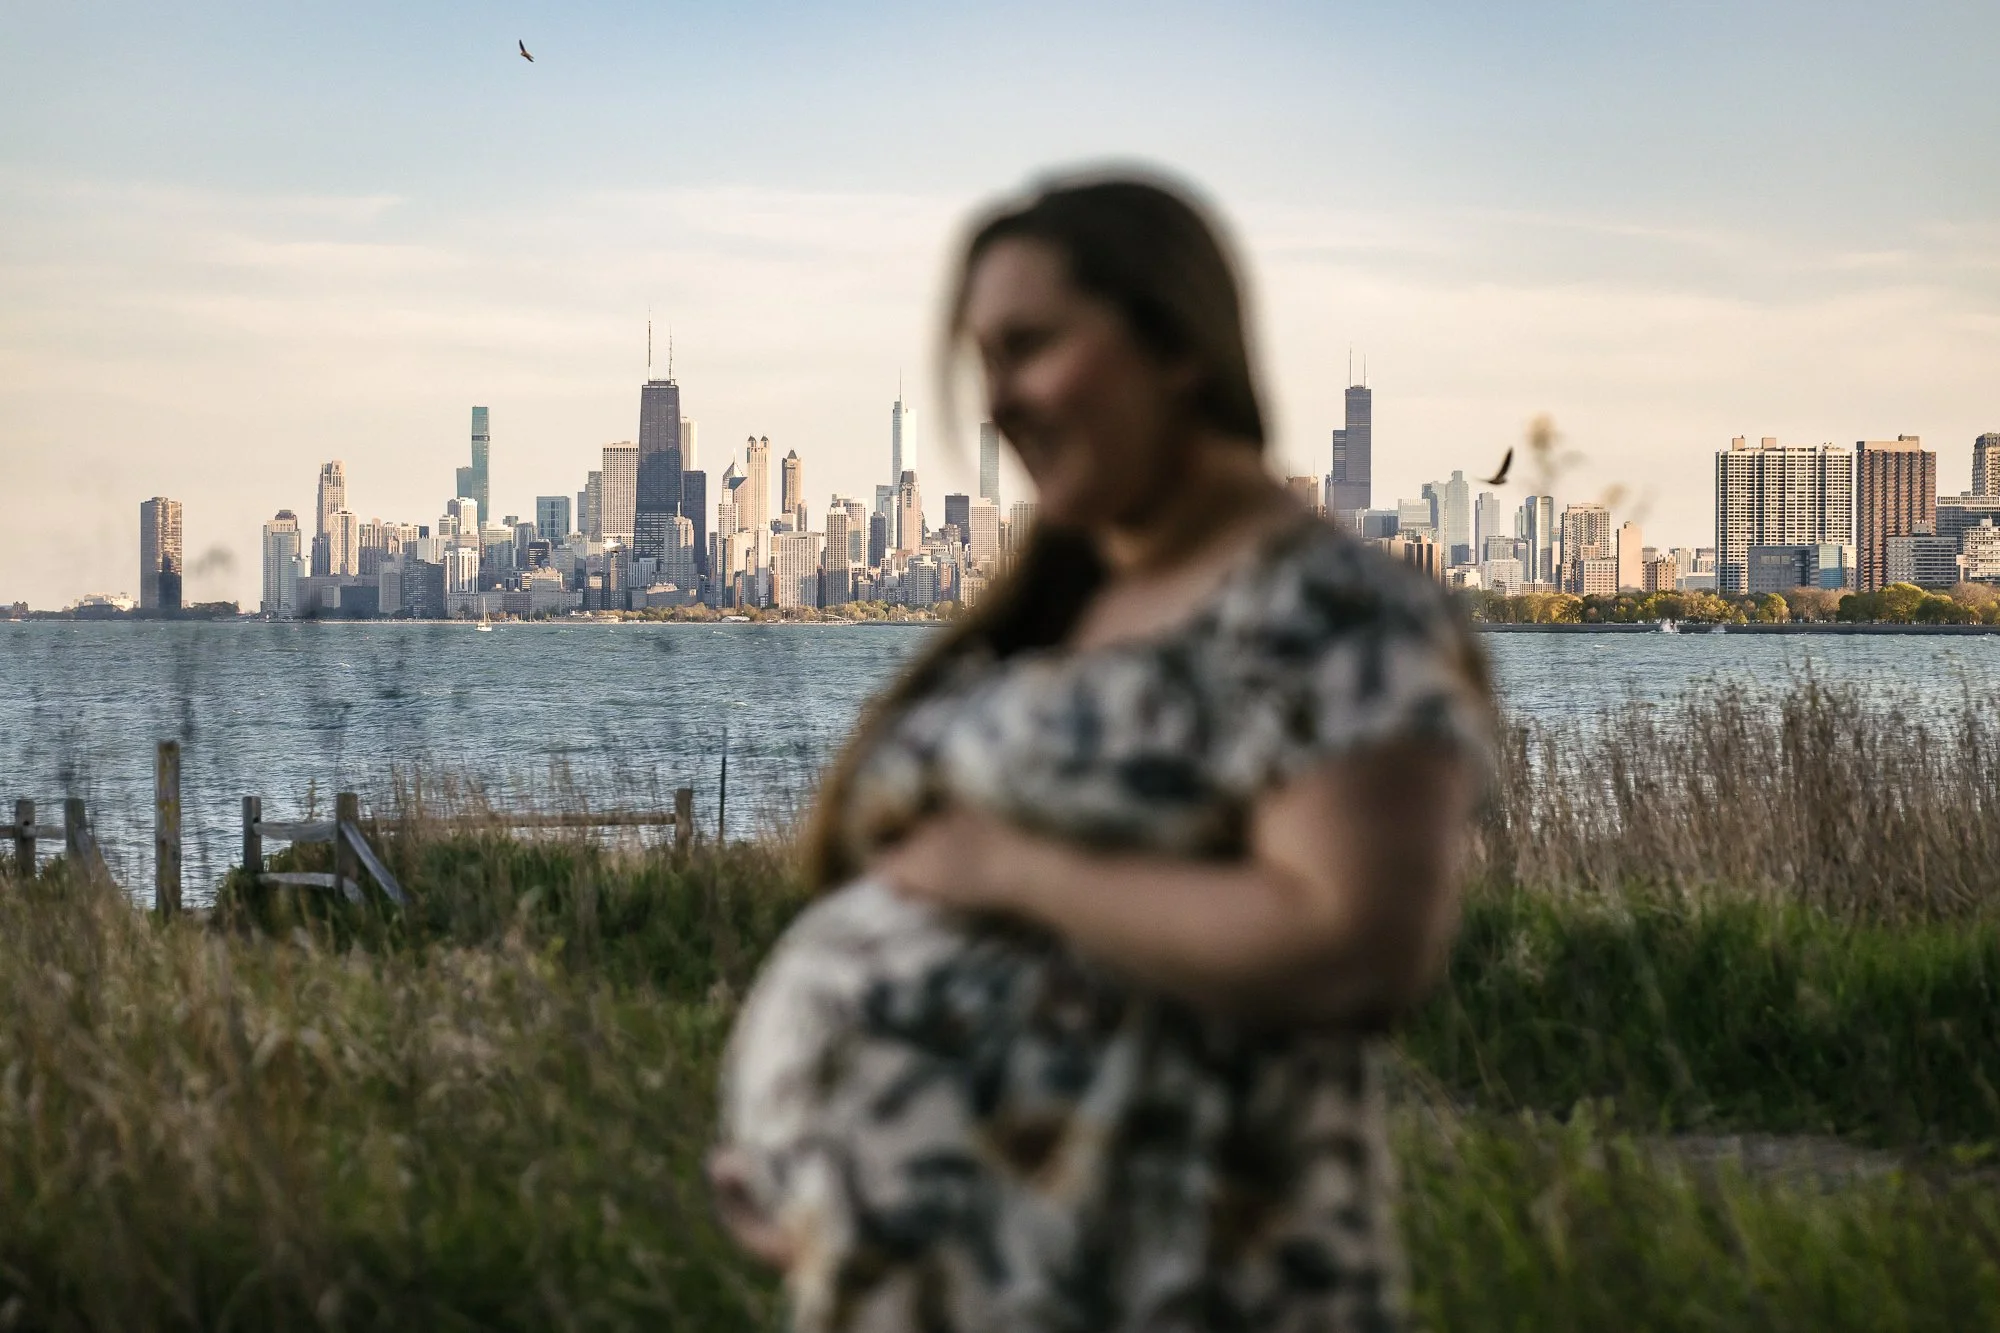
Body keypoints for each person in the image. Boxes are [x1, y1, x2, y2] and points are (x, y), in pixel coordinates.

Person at [711, 173, 1493, 1333]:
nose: (997, 402)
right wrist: (825, 1183)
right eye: (981, 361)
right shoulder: (1056, 610)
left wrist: (1013, 867)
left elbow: (1351, 948)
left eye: (1029, 347)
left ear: (1174, 347)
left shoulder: (1330, 609)